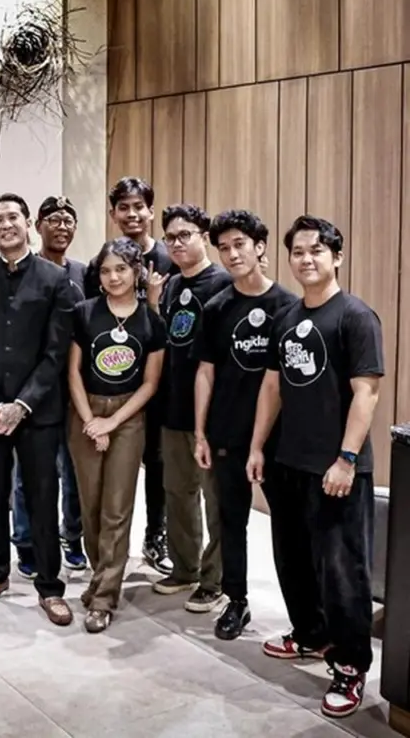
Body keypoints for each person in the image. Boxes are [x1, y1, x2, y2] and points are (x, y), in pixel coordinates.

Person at [247, 216, 383, 719]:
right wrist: (257, 447)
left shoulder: (356, 316)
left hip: (337, 468)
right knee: (294, 560)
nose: (306, 259)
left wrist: (346, 459)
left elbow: (366, 393)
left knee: (342, 571)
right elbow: (271, 386)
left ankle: (350, 666)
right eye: (298, 252)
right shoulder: (286, 317)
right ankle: (309, 634)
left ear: (337, 257)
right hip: (289, 462)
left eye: (316, 251)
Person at [0, 194, 77, 625]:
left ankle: (49, 586)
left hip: (38, 412)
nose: (6, 224)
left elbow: (57, 350)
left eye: (13, 217)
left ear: (28, 224)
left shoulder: (55, 279)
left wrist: (22, 404)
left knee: (43, 497)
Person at [193, 210, 298, 641]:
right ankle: (236, 600)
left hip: (281, 438)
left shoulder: (289, 306)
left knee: (288, 526)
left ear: (260, 247)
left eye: (240, 245)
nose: (232, 254)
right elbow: (205, 372)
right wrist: (201, 432)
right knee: (231, 521)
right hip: (228, 433)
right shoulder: (217, 308)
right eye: (224, 248)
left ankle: (304, 618)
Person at [68, 238, 166, 633]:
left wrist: (112, 423)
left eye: (121, 269)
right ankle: (100, 575)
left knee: (117, 508)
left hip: (128, 417)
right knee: (90, 505)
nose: (113, 277)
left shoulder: (151, 321)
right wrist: (91, 420)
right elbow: (73, 373)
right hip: (85, 413)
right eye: (106, 270)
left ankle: (105, 596)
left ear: (137, 271)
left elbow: (150, 383)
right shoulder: (84, 312)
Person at [85, 177, 175, 575]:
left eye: (139, 206)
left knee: (157, 461)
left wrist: (152, 306)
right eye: (124, 207)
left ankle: (156, 535)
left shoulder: (170, 259)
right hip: (111, 384)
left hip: (156, 381)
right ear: (113, 214)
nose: (132, 214)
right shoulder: (100, 262)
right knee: (106, 472)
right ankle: (98, 545)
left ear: (151, 211)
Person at [150, 204, 231, 611]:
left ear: (204, 237)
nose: (177, 243)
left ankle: (215, 580)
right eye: (170, 237)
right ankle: (186, 569)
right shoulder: (169, 285)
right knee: (178, 494)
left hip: (213, 416)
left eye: (185, 235)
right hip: (173, 409)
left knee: (216, 500)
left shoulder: (224, 284)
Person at [9, 195, 86, 576]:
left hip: (75, 389)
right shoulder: (24, 270)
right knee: (28, 473)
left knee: (74, 473)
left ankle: (73, 536)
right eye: (53, 219)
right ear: (37, 226)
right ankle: (25, 541)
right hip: (32, 389)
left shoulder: (86, 273)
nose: (61, 226)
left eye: (68, 220)